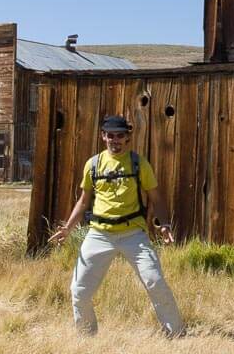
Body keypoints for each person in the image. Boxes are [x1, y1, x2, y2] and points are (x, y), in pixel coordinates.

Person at [49, 114, 184, 337]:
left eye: (120, 135)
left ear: (127, 137)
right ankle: (87, 337)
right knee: (78, 290)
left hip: (133, 234)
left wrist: (164, 224)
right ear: (103, 136)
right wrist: (67, 228)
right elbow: (83, 201)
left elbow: (156, 198)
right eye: (110, 135)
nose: (115, 140)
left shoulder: (139, 163)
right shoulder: (93, 164)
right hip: (99, 234)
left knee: (155, 281)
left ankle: (176, 333)